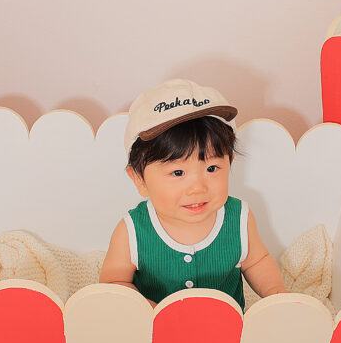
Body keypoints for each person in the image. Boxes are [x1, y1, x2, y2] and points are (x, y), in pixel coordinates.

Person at [100, 79, 287, 309]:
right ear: (139, 179)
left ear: (230, 163)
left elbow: (257, 261)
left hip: (226, 325)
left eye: (212, 168)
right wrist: (153, 312)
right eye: (178, 172)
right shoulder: (132, 231)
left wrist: (276, 293)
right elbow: (114, 283)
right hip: (156, 327)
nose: (198, 188)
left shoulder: (239, 218)